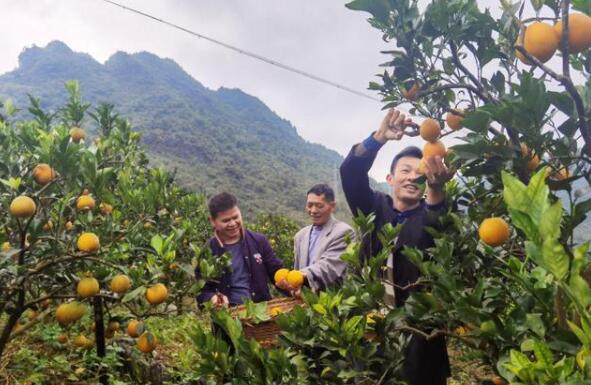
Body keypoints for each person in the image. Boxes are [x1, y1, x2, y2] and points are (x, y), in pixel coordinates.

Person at [340, 108, 455, 385]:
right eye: (404, 170)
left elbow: (440, 226)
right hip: (372, 329)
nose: (411, 177)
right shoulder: (372, 207)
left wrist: (437, 189)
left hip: (420, 337)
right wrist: (379, 138)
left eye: (419, 172)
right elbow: (351, 171)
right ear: (390, 179)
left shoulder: (430, 214)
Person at [195, 192, 284, 307]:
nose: (232, 223)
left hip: (262, 313)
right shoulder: (208, 252)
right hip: (227, 317)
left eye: (236, 217)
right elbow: (202, 292)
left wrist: (290, 286)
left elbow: (276, 272)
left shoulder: (258, 241)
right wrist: (212, 298)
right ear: (212, 221)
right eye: (226, 220)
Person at [287, 184, 354, 292]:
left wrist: (301, 275)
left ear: (332, 206)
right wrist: (293, 285)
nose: (313, 210)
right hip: (305, 302)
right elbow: (297, 269)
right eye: (309, 205)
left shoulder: (344, 232)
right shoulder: (300, 236)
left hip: (332, 302)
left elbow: (329, 267)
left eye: (319, 206)